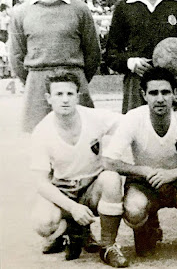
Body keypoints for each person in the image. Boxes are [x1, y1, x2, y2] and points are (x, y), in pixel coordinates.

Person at [103, 67, 177, 258]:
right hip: (146, 183)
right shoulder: (134, 118)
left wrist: (175, 173)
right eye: (153, 93)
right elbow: (109, 161)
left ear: (175, 93)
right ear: (144, 95)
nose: (160, 98)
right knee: (135, 211)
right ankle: (147, 231)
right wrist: (143, 170)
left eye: (165, 92)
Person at [30, 72, 128, 267]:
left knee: (111, 179)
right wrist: (72, 208)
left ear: (78, 95)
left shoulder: (94, 117)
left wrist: (174, 107)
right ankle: (70, 231)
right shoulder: (42, 131)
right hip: (63, 188)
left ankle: (108, 245)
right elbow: (40, 183)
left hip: (93, 186)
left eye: (69, 93)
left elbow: (132, 123)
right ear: (49, 98)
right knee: (43, 223)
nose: (65, 99)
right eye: (59, 94)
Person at [9, 0, 100, 133]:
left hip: (73, 83)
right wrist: (35, 81)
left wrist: (76, 79)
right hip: (37, 89)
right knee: (41, 148)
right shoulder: (21, 12)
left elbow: (93, 53)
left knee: (81, 146)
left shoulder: (80, 9)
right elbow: (17, 57)